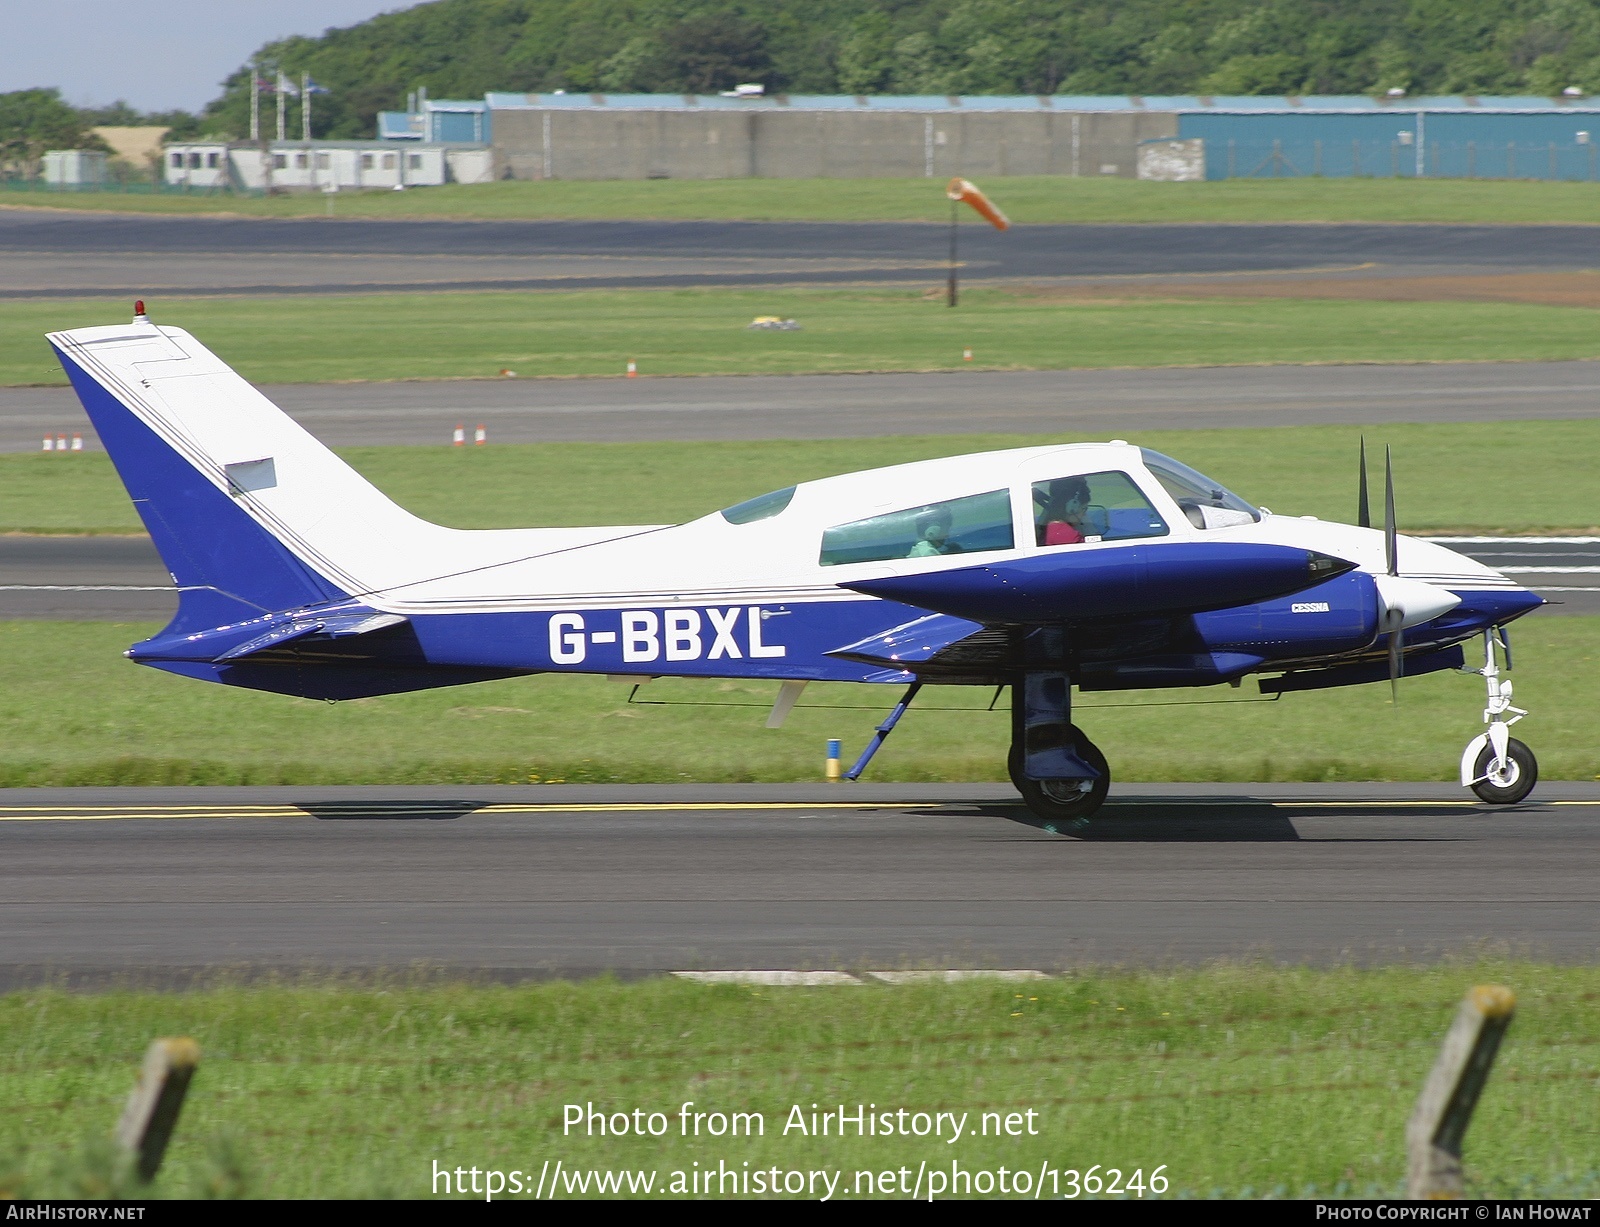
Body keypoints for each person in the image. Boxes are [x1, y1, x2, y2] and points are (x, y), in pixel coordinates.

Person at [1036, 476, 1092, 546]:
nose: (1084, 514)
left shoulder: (1053, 527)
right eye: (1084, 509)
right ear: (1072, 509)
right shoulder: (1067, 535)